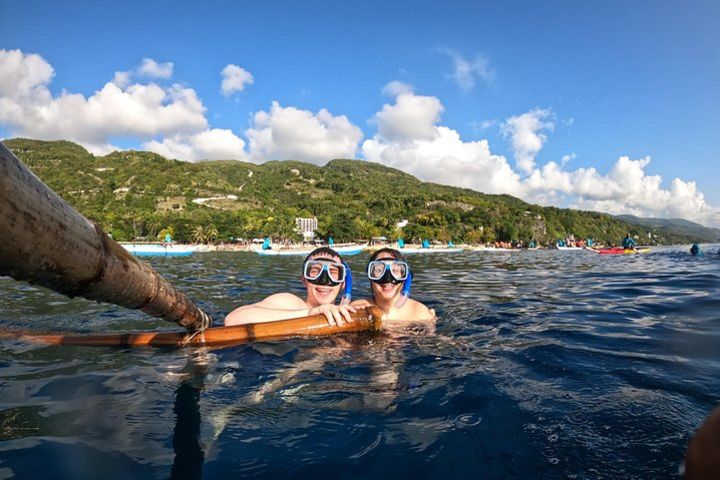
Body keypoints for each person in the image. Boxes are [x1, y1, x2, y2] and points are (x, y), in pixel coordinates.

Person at [224, 247, 356, 326]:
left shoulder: (349, 312)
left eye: (333, 273)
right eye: (315, 271)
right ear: (303, 280)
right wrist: (310, 313)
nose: (324, 280)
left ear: (343, 283)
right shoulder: (291, 303)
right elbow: (232, 320)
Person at [351, 248, 435, 330]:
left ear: (405, 276)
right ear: (370, 276)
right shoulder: (357, 308)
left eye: (395, 270)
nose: (388, 278)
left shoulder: (418, 312)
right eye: (379, 270)